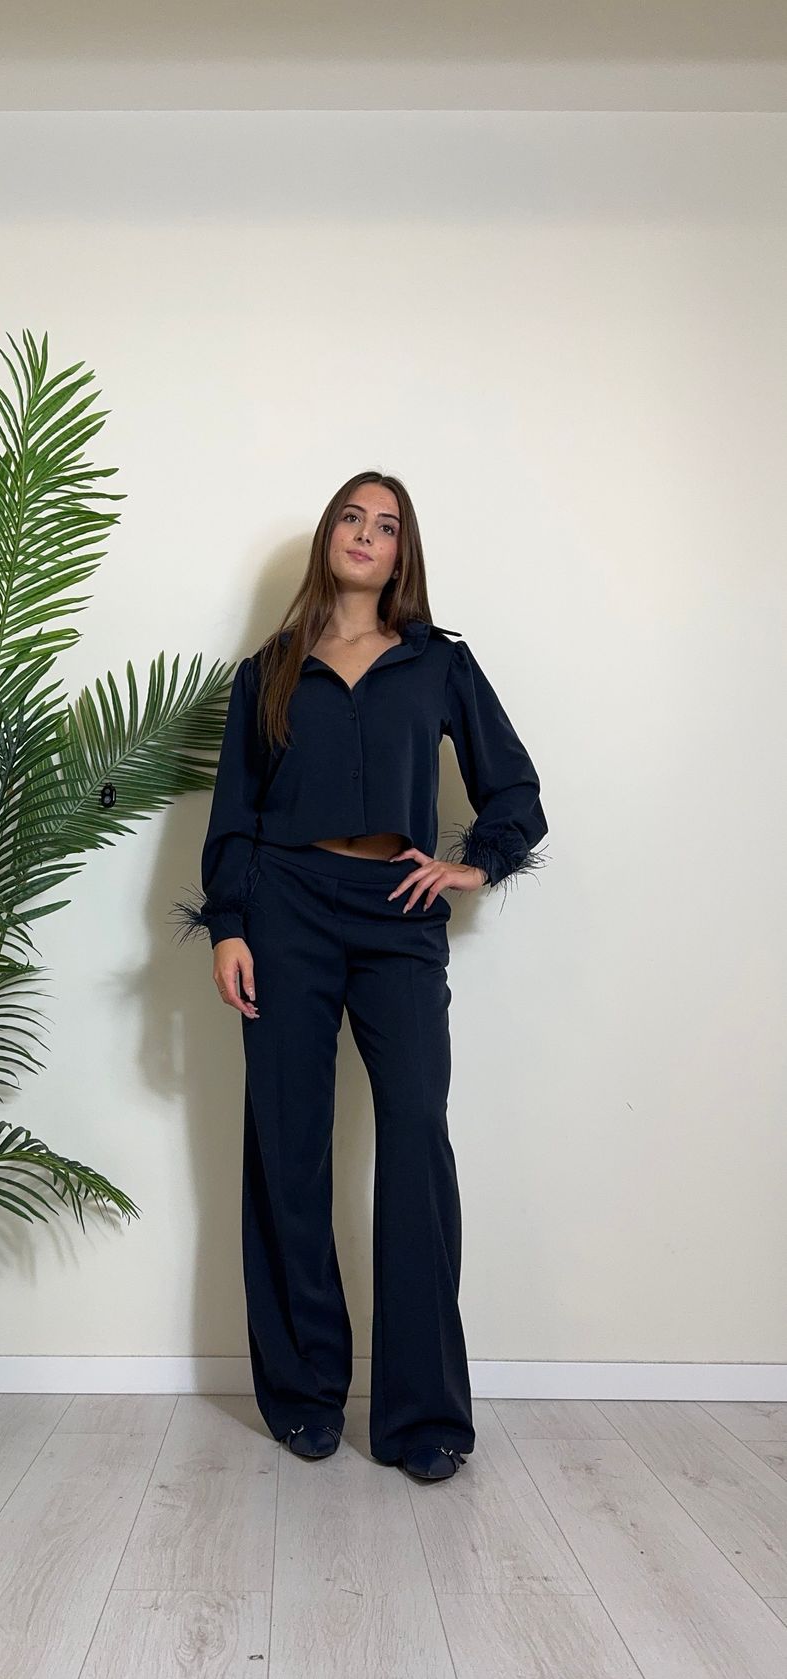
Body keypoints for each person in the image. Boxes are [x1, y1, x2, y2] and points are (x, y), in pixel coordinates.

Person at [171, 471, 549, 1483]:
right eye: (352, 516)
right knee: (287, 1145)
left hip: (398, 915)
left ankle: (422, 1415)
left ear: (400, 553)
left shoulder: (438, 663)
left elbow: (513, 787)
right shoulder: (269, 670)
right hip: (284, 909)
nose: (366, 534)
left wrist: (474, 864)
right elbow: (235, 811)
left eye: (386, 525)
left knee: (415, 1137)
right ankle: (303, 1395)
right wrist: (229, 927)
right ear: (329, 536)